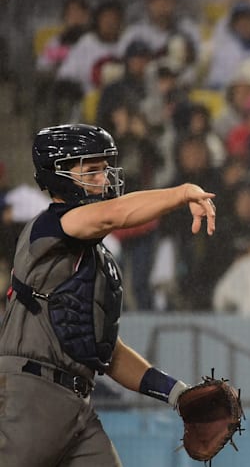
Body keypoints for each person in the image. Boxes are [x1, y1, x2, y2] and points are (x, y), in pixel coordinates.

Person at [0, 124, 217, 465]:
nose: (103, 179)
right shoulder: (50, 226)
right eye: (91, 170)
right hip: (28, 396)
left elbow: (105, 353)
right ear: (58, 176)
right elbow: (114, 215)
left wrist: (176, 393)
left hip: (77, 403)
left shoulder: (96, 257)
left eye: (104, 169)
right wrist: (182, 192)